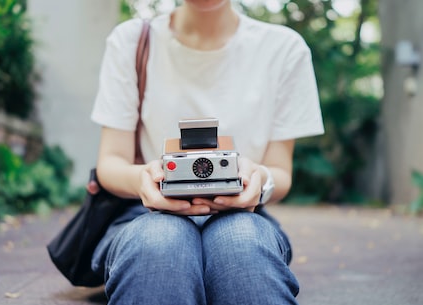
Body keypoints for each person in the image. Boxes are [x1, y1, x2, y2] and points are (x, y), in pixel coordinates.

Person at [90, 0, 324, 303]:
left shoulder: (284, 48)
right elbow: (110, 163)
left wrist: (256, 178)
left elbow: (280, 172)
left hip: (245, 211)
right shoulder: (131, 40)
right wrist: (146, 178)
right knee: (159, 243)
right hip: (145, 209)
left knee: (241, 244)